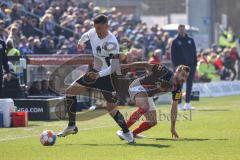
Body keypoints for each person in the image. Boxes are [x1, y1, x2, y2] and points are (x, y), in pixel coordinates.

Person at [57, 15, 134, 143]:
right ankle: (72, 126)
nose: (97, 31)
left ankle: (127, 134)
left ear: (107, 26)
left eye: (99, 28)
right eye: (95, 28)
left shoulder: (112, 43)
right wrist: (80, 42)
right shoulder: (93, 32)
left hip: (108, 76)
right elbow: (86, 35)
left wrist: (99, 74)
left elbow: (114, 68)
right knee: (70, 92)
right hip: (95, 72)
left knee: (111, 108)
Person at [116, 62, 190, 139]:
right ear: (177, 72)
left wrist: (173, 128)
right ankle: (123, 131)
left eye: (186, 77)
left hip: (147, 95)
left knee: (152, 122)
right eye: (183, 75)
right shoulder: (164, 71)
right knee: (145, 107)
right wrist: (126, 65)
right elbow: (145, 65)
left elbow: (174, 109)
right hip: (137, 86)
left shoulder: (177, 89)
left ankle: (133, 134)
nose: (184, 79)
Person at [171, 24, 197, 110]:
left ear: (185, 30)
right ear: (178, 30)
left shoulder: (190, 40)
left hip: (191, 67)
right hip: (180, 68)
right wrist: (176, 68)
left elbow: (194, 53)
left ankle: (188, 103)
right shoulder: (175, 41)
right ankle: (178, 104)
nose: (182, 31)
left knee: (189, 85)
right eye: (180, 29)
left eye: (183, 29)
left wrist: (195, 65)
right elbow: (173, 55)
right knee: (179, 87)